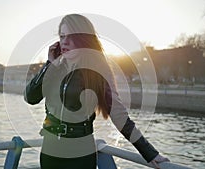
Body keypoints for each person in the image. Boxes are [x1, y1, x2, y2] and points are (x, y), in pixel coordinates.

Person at [24, 13, 169, 169]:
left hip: (80, 154)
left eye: (71, 36)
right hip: (50, 152)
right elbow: (30, 97)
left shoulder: (97, 70)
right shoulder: (56, 68)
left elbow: (119, 115)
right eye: (62, 36)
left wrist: (149, 152)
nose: (65, 41)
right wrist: (49, 64)